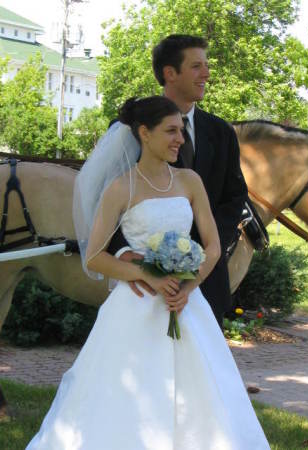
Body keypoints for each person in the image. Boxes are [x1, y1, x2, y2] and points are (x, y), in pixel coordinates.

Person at [26, 96, 270, 450]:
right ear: (144, 133)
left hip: (187, 304)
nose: (180, 139)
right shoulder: (120, 188)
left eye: (181, 131)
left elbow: (213, 246)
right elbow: (93, 256)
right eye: (170, 131)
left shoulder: (190, 181)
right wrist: (149, 275)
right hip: (135, 308)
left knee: (203, 389)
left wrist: (188, 286)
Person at [108, 35, 248, 327]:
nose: (207, 73)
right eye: (197, 66)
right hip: (144, 282)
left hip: (205, 283)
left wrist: (199, 256)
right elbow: (106, 197)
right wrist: (125, 253)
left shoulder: (221, 132)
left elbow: (234, 197)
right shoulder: (129, 131)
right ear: (170, 73)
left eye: (206, 65)